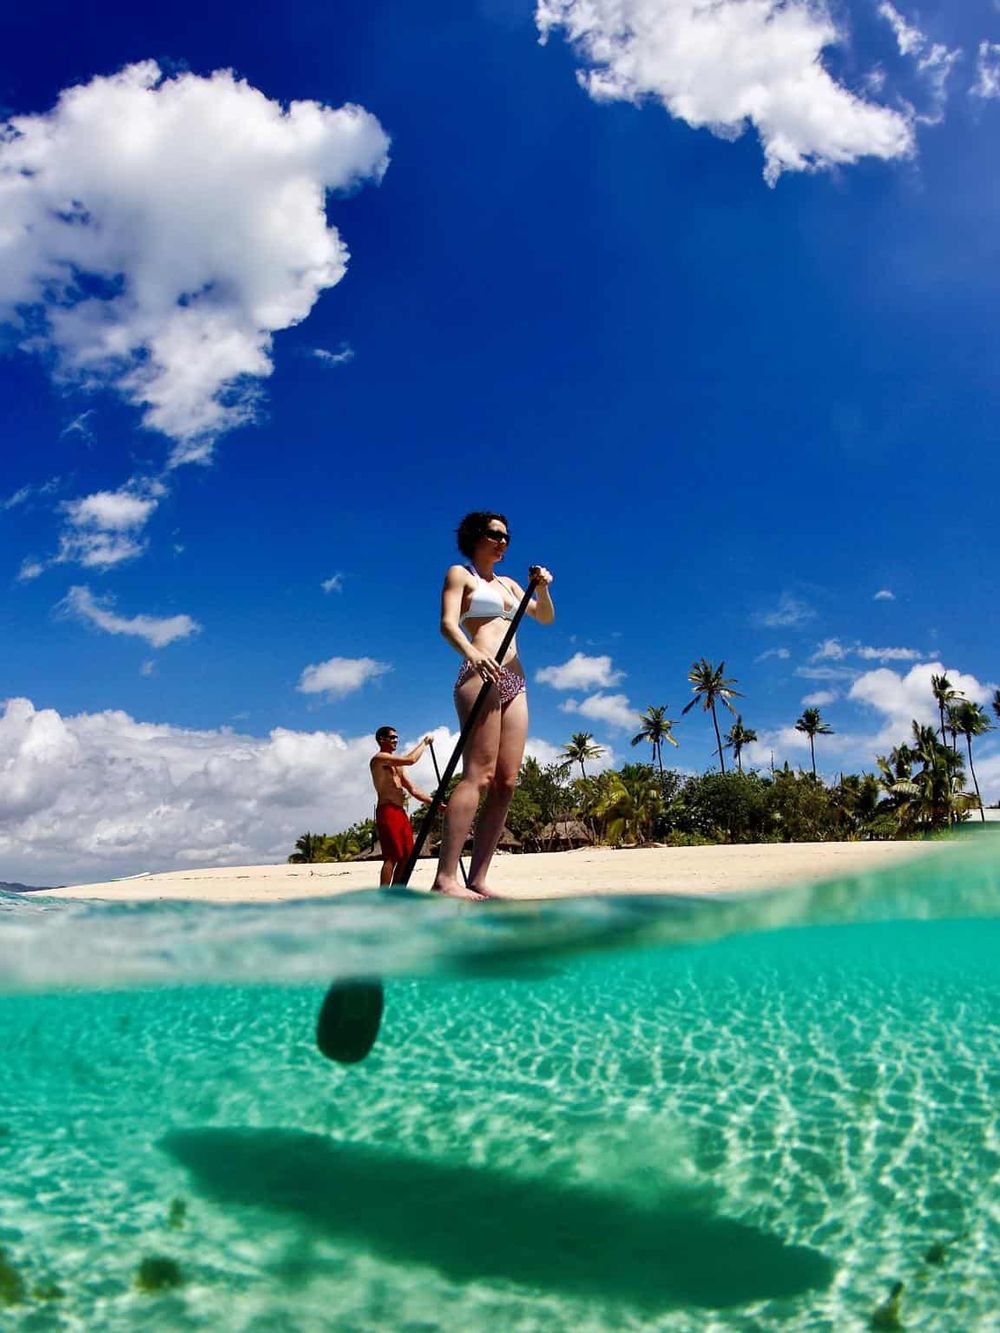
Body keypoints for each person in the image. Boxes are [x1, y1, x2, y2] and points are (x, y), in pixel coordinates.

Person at [431, 511, 554, 898]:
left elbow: (545, 618)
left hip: (515, 680)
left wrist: (543, 588)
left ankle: (478, 877)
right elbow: (448, 623)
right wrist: (472, 653)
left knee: (506, 783)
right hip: (478, 673)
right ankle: (445, 879)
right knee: (478, 776)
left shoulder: (511, 584)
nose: (502, 541)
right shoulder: (460, 574)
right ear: (475, 537)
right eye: (493, 534)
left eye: (506, 536)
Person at [370, 727, 437, 885]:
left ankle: (398, 892)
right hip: (387, 810)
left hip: (400, 812)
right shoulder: (379, 759)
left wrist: (435, 803)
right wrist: (424, 743)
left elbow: (412, 789)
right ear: (382, 739)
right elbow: (411, 760)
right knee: (392, 856)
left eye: (396, 738)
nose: (396, 740)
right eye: (392, 737)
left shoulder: (397, 766)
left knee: (408, 855)